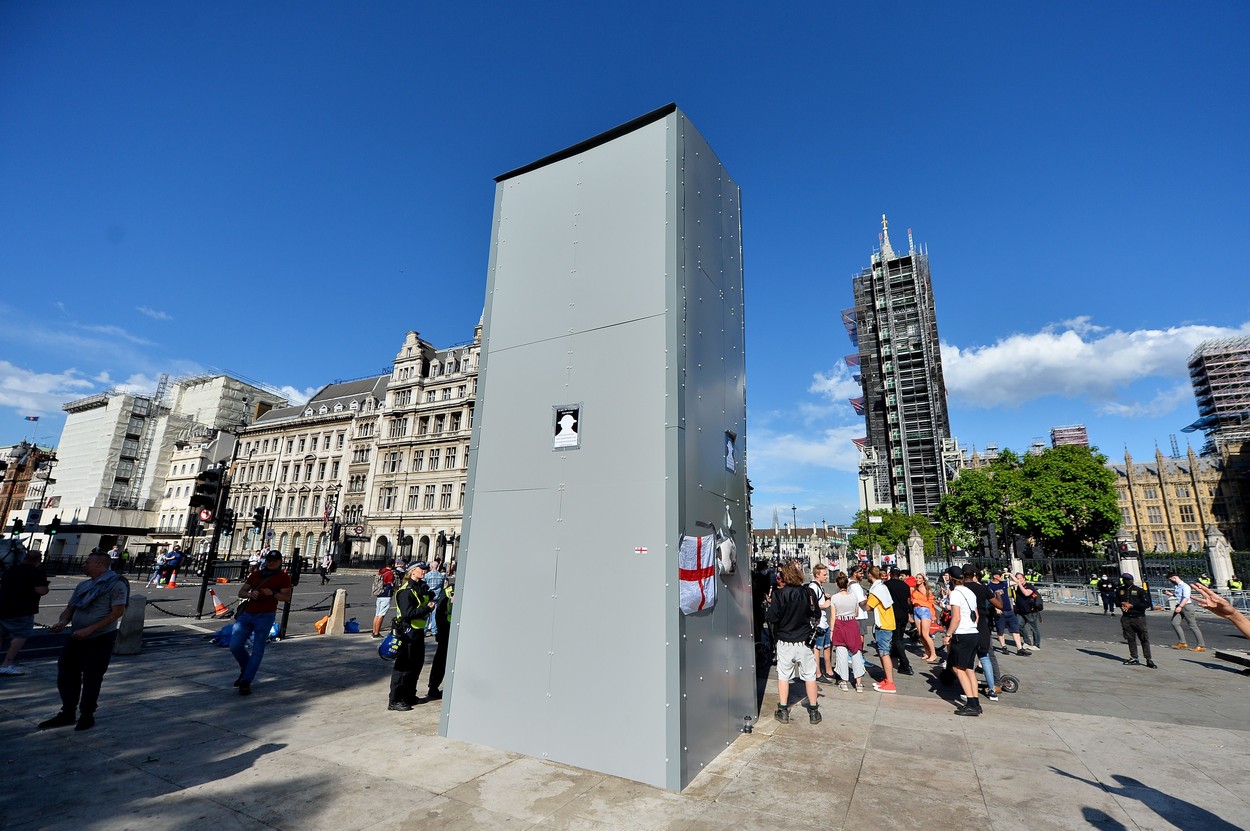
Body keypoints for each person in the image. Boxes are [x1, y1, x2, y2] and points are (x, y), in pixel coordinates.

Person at [38, 552, 130, 731]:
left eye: (87, 562)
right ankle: (67, 712)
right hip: (76, 636)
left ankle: (87, 714)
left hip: (100, 637)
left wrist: (90, 629)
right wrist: (63, 621)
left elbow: (117, 612)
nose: (83, 564)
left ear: (98, 564)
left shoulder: (116, 584)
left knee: (92, 677)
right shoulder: (83, 585)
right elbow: (70, 608)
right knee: (66, 673)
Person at [765, 561, 822, 723]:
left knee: (784, 675)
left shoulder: (779, 595)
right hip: (804, 639)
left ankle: (783, 709)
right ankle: (813, 710)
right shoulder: (809, 592)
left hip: (785, 640)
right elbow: (816, 613)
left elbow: (772, 618)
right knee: (809, 676)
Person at [230, 551, 293, 695]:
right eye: (269, 560)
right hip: (247, 614)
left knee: (258, 650)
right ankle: (246, 669)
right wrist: (250, 594)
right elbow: (242, 592)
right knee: (235, 645)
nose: (271, 563)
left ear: (280, 562)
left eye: (274, 560)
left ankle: (246, 681)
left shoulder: (283, 577)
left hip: (265, 616)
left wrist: (273, 593)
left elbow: (286, 597)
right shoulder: (256, 575)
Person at [389, 562, 435, 711]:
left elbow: (425, 597)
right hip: (407, 633)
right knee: (403, 667)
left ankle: (409, 695)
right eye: (422, 570)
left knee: (416, 665)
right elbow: (408, 613)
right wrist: (426, 609)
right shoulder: (406, 591)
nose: (424, 572)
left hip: (418, 632)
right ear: (413, 571)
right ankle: (395, 699)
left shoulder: (418, 587)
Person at [0, 548, 50, 675]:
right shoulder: (37, 573)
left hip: (2, 606)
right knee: (20, 635)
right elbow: (42, 590)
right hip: (23, 609)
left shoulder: (10, 570)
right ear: (38, 560)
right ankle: (6, 664)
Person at [944, 566, 982, 716]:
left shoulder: (955, 594)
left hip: (962, 633)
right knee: (969, 668)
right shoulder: (970, 592)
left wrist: (948, 634)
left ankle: (971, 703)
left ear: (952, 579)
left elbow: (956, 617)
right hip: (973, 632)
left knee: (958, 668)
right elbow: (976, 615)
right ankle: (976, 702)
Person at [830, 573, 866, 692]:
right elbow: (856, 613)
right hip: (852, 624)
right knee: (856, 652)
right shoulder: (853, 597)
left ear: (837, 584)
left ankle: (844, 681)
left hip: (840, 624)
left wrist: (831, 631)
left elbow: (833, 616)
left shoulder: (834, 598)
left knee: (841, 652)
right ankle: (859, 683)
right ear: (847, 584)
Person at [865, 567, 897, 693]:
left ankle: (890, 682)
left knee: (884, 653)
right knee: (883, 652)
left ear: (869, 575)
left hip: (883, 624)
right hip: (887, 622)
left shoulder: (876, 590)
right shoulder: (882, 587)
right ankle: (886, 679)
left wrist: (862, 600)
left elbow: (868, 607)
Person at [1114, 573, 1156, 668]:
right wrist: (1122, 604)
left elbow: (1146, 603)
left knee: (1144, 638)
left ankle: (1148, 659)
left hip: (1139, 617)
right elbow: (1115, 600)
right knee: (1130, 638)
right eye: (1124, 580)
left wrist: (1132, 605)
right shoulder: (1120, 590)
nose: (1126, 581)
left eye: (1128, 580)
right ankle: (1134, 657)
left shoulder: (1139, 591)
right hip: (1126, 617)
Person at [988, 569, 1029, 655]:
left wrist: (1010, 574)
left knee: (1015, 630)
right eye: (1000, 575)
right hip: (1000, 612)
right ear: (995, 576)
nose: (1002, 577)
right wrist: (996, 608)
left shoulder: (1004, 583)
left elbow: (1017, 582)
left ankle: (1019, 649)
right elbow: (989, 599)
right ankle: (1004, 647)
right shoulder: (990, 586)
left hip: (1009, 610)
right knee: (1000, 630)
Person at [1164, 571, 1206, 652]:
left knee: (1193, 626)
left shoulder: (1185, 586)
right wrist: (1171, 594)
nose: (1170, 581)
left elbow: (1186, 597)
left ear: (1174, 577)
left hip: (1186, 606)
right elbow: (1180, 596)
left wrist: (1180, 606)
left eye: (1170, 579)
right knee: (1174, 623)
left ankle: (1201, 645)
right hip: (1180, 605)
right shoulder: (1177, 586)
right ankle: (1182, 643)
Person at [426, 582, 454, 700]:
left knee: (441, 660)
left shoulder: (449, 590)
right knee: (441, 660)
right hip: (447, 630)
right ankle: (433, 688)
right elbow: (439, 613)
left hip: (449, 630)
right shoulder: (449, 591)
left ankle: (434, 687)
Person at [884, 568, 914, 676]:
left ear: (891, 574)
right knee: (900, 638)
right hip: (903, 615)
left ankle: (905, 665)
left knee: (896, 639)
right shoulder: (905, 585)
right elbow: (909, 601)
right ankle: (896, 653)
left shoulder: (887, 585)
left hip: (893, 615)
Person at [808, 564, 835, 684]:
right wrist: (824, 605)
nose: (826, 577)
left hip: (824, 621)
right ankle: (818, 672)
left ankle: (829, 671)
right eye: (824, 575)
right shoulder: (813, 587)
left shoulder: (819, 586)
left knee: (827, 645)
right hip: (818, 622)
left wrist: (824, 597)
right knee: (817, 648)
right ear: (817, 575)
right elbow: (810, 605)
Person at [910, 574, 939, 663]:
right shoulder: (913, 589)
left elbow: (930, 603)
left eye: (920, 578)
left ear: (923, 580)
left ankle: (933, 654)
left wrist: (933, 616)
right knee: (920, 634)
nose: (918, 580)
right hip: (916, 611)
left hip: (925, 611)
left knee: (925, 634)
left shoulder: (927, 590)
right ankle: (927, 652)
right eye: (917, 578)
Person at [1014, 578, 1043, 649]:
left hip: (1030, 611)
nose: (1019, 580)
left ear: (1024, 579)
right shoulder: (1017, 587)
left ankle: (1036, 645)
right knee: (1019, 626)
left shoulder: (1029, 586)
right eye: (1017, 578)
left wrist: (1019, 584)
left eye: (1020, 578)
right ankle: (1027, 642)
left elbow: (1026, 593)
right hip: (1021, 611)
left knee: (1033, 628)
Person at [372, 561, 398, 638]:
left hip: (379, 594)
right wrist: (396, 587)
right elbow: (389, 585)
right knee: (381, 614)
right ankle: (377, 633)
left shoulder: (381, 571)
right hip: (386, 595)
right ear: (392, 565)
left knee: (377, 614)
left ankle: (374, 631)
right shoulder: (389, 573)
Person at [424, 559, 447, 638]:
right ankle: (434, 630)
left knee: (426, 613)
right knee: (434, 614)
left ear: (432, 566)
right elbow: (443, 586)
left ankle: (425, 629)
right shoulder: (441, 576)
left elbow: (424, 586)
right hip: (436, 597)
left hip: (428, 596)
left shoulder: (427, 575)